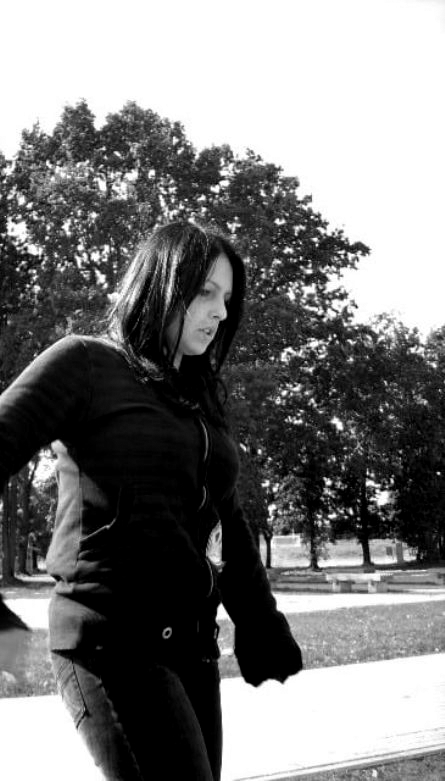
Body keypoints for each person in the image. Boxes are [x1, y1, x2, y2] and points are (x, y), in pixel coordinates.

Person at [0, 222, 302, 780]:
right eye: (205, 291)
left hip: (193, 648)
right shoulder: (85, 363)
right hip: (109, 644)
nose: (220, 312)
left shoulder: (199, 397)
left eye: (227, 299)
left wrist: (261, 623)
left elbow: (227, 518)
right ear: (162, 283)